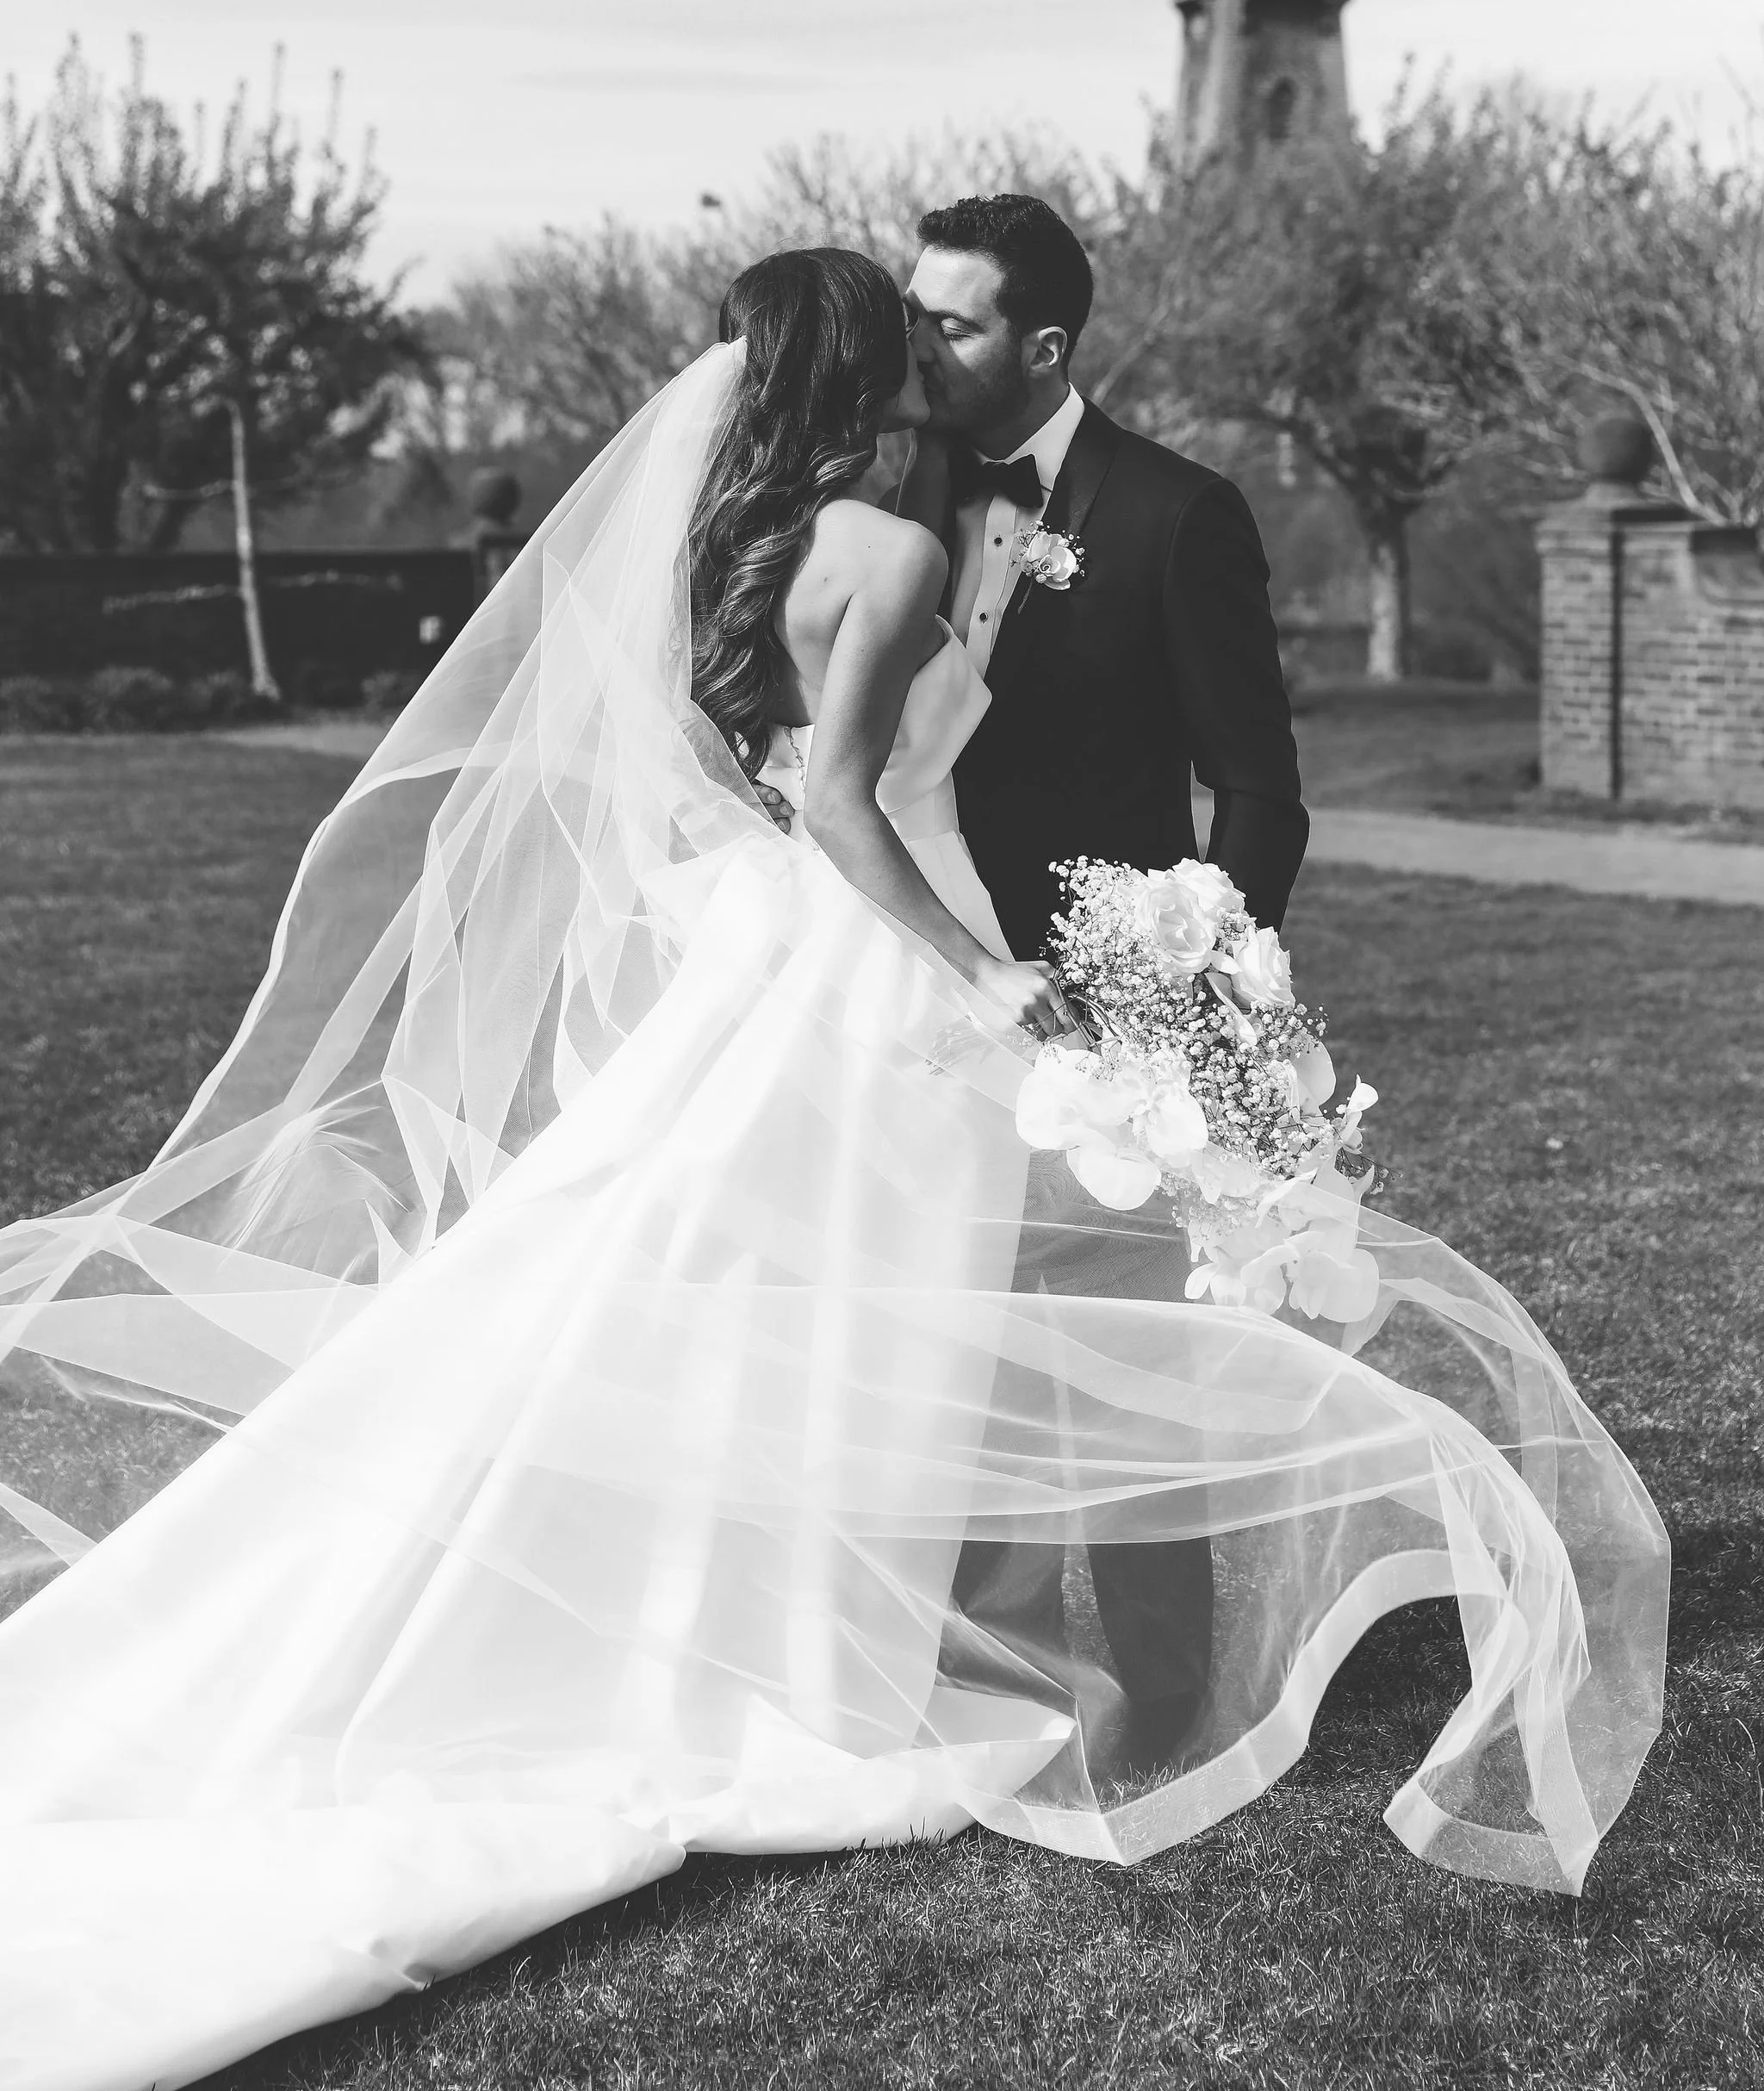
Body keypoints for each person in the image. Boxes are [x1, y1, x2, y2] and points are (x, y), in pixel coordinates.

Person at [0, 249, 1667, 2091]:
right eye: (915, 331)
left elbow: (777, 765)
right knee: (850, 1302)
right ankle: (805, 1661)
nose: (937, 355)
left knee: (734, 1283)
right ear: (875, 360)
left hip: (791, 949)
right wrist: (970, 975)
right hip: (876, 958)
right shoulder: (879, 546)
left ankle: (799, 1624)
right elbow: (846, 800)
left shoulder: (770, 527)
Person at [900, 192, 1305, 1772]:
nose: (919, 341)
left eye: (953, 319)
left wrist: (1191, 984)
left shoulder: (1176, 513)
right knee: (947, 1334)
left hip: (1101, 1010)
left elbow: (1258, 787)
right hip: (917, 980)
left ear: (1045, 343)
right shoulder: (885, 490)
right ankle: (976, 1683)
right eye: (916, 310)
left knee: (1127, 1370)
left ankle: (1168, 1702)